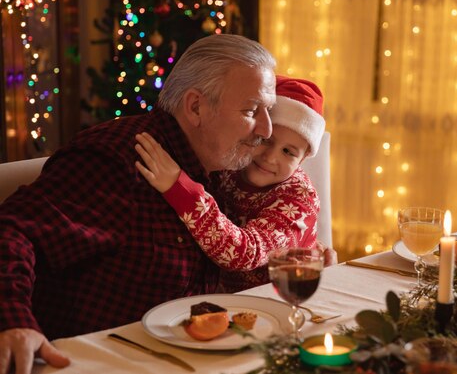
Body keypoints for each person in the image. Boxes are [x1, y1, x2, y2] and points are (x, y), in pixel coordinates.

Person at [0, 34, 277, 374]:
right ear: (195, 107)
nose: (266, 128)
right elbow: (12, 230)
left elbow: (241, 249)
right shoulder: (116, 162)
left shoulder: (224, 168)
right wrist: (12, 321)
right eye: (251, 111)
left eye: (269, 111)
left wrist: (294, 254)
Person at [134, 75, 327, 292]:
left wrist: (179, 188)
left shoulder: (298, 199)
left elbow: (244, 253)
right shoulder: (231, 165)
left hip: (278, 302)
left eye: (288, 152)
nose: (270, 158)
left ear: (301, 160)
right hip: (224, 297)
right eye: (265, 141)